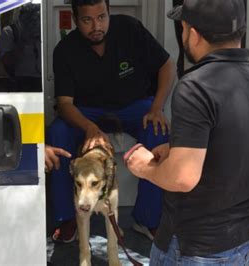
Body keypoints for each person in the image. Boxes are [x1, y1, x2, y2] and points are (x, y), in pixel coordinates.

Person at [125, 0, 249, 264]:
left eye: (183, 28)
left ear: (193, 34)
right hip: (243, 241)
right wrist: (177, 151)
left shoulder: (195, 86)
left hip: (194, 249)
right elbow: (232, 150)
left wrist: (142, 167)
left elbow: (183, 178)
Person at [46, 0, 175, 243]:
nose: (97, 26)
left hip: (134, 106)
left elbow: (167, 66)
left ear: (109, 13)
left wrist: (157, 108)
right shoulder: (65, 49)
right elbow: (65, 104)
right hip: (88, 112)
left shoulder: (130, 29)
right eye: (87, 20)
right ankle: (68, 217)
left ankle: (147, 219)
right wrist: (90, 128)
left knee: (159, 132)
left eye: (102, 17)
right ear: (75, 20)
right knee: (58, 134)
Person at [0, 3, 42, 92]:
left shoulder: (45, 30)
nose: (34, 21)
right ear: (21, 16)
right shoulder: (10, 32)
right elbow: (6, 61)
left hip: (44, 78)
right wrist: (22, 41)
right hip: (20, 81)